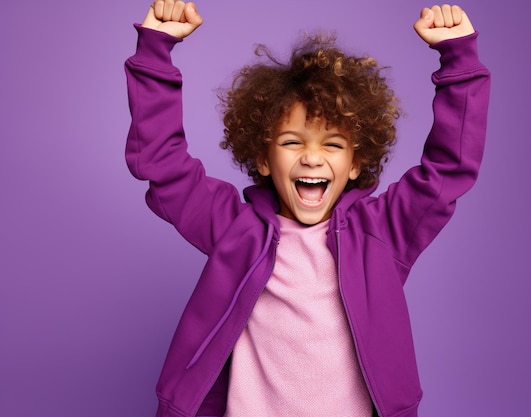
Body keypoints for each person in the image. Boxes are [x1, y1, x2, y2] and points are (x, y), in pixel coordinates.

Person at [124, 1, 490, 416]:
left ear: (355, 164)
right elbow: (164, 165)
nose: (312, 158)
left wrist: (458, 59)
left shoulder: (383, 231)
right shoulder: (234, 228)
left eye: (332, 144)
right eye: (292, 142)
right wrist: (156, 51)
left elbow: (449, 168)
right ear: (263, 159)